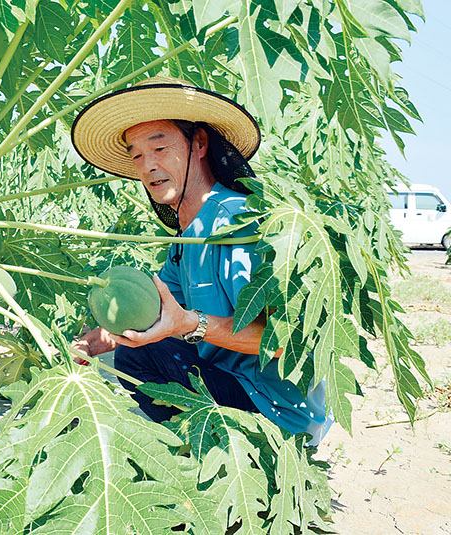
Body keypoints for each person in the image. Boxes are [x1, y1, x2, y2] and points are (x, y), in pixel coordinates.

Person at [70, 76, 332, 444]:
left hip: (275, 406)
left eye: (159, 148)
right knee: (139, 351)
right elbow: (156, 312)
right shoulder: (185, 237)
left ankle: (245, 457)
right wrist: (95, 342)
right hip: (229, 384)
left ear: (200, 144)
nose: (147, 167)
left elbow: (281, 341)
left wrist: (190, 325)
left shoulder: (238, 224)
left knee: (145, 357)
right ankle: (205, 451)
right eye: (137, 156)